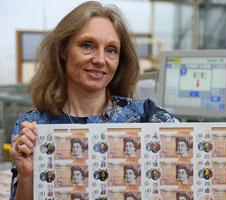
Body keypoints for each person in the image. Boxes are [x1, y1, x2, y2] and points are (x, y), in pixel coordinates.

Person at [9, 1, 179, 199]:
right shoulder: (31, 128)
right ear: (63, 51)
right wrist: (27, 176)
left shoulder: (148, 117)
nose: (100, 59)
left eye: (111, 50)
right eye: (87, 45)